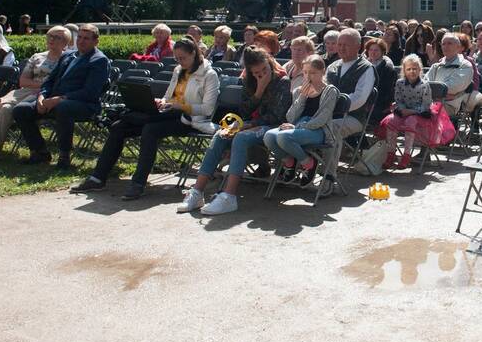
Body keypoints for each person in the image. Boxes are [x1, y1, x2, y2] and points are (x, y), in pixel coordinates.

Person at [72, 37, 219, 199]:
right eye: (176, 58)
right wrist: (161, 101)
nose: (179, 62)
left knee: (149, 129)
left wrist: (180, 106)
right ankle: (97, 178)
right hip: (168, 114)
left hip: (189, 119)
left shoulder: (209, 75)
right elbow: (169, 96)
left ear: (193, 54)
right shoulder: (178, 70)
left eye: (182, 58)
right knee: (118, 127)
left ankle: (138, 183)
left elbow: (207, 108)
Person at [176, 46, 291, 215]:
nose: (262, 75)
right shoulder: (248, 80)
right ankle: (197, 192)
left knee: (241, 138)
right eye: (257, 73)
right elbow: (244, 111)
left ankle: (229, 196)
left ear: (269, 63)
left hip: (272, 125)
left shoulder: (282, 81)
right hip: (251, 122)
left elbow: (277, 115)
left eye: (264, 70)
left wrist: (251, 124)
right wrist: (259, 90)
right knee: (221, 134)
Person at [13, 23, 110, 169]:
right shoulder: (68, 55)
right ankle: (40, 151)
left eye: (86, 39)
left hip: (84, 104)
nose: (81, 41)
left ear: (96, 41)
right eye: (80, 37)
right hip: (54, 100)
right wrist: (42, 97)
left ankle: (64, 156)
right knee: (21, 109)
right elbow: (49, 81)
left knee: (63, 108)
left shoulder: (99, 60)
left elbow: (90, 92)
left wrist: (60, 99)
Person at [0, 26, 68, 159]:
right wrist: (42, 85)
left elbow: (61, 84)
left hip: (47, 95)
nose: (52, 39)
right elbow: (23, 81)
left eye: (57, 37)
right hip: (28, 92)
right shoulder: (37, 57)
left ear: (65, 43)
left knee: (13, 108)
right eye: (49, 36)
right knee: (6, 109)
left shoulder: (68, 60)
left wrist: (43, 88)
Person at [262, 55, 339, 187]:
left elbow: (322, 119)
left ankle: (309, 163)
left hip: (318, 130)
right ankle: (289, 162)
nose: (308, 77)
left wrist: (297, 127)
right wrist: (302, 97)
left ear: (323, 72)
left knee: (283, 137)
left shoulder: (330, 91)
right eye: (305, 72)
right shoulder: (299, 91)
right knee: (269, 136)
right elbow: (290, 117)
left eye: (313, 73)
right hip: (298, 127)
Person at [379, 55, 434, 170]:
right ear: (404, 70)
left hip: (419, 113)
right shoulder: (400, 83)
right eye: (408, 69)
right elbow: (398, 99)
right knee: (391, 122)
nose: (412, 71)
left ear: (420, 69)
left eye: (415, 69)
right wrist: (403, 109)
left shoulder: (424, 85)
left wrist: (412, 111)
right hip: (403, 111)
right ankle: (391, 153)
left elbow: (426, 104)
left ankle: (407, 155)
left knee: (410, 122)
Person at [327, 29, 378, 145]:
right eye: (339, 44)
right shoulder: (332, 67)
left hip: (354, 118)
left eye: (346, 45)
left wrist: (333, 107)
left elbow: (359, 99)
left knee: (327, 128)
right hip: (328, 114)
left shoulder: (366, 68)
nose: (341, 48)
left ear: (358, 47)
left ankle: (328, 163)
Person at [426, 33, 474, 116]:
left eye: (449, 43)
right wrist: (441, 93)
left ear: (458, 47)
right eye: (443, 44)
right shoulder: (436, 66)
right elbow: (423, 85)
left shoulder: (465, 66)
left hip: (449, 106)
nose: (445, 46)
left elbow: (452, 87)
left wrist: (434, 92)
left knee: (421, 111)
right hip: (429, 102)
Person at [363, 37, 397, 126]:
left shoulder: (387, 68)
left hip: (379, 104)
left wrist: (371, 103)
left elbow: (388, 91)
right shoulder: (363, 65)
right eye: (371, 50)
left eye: (376, 50)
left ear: (382, 52)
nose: (373, 52)